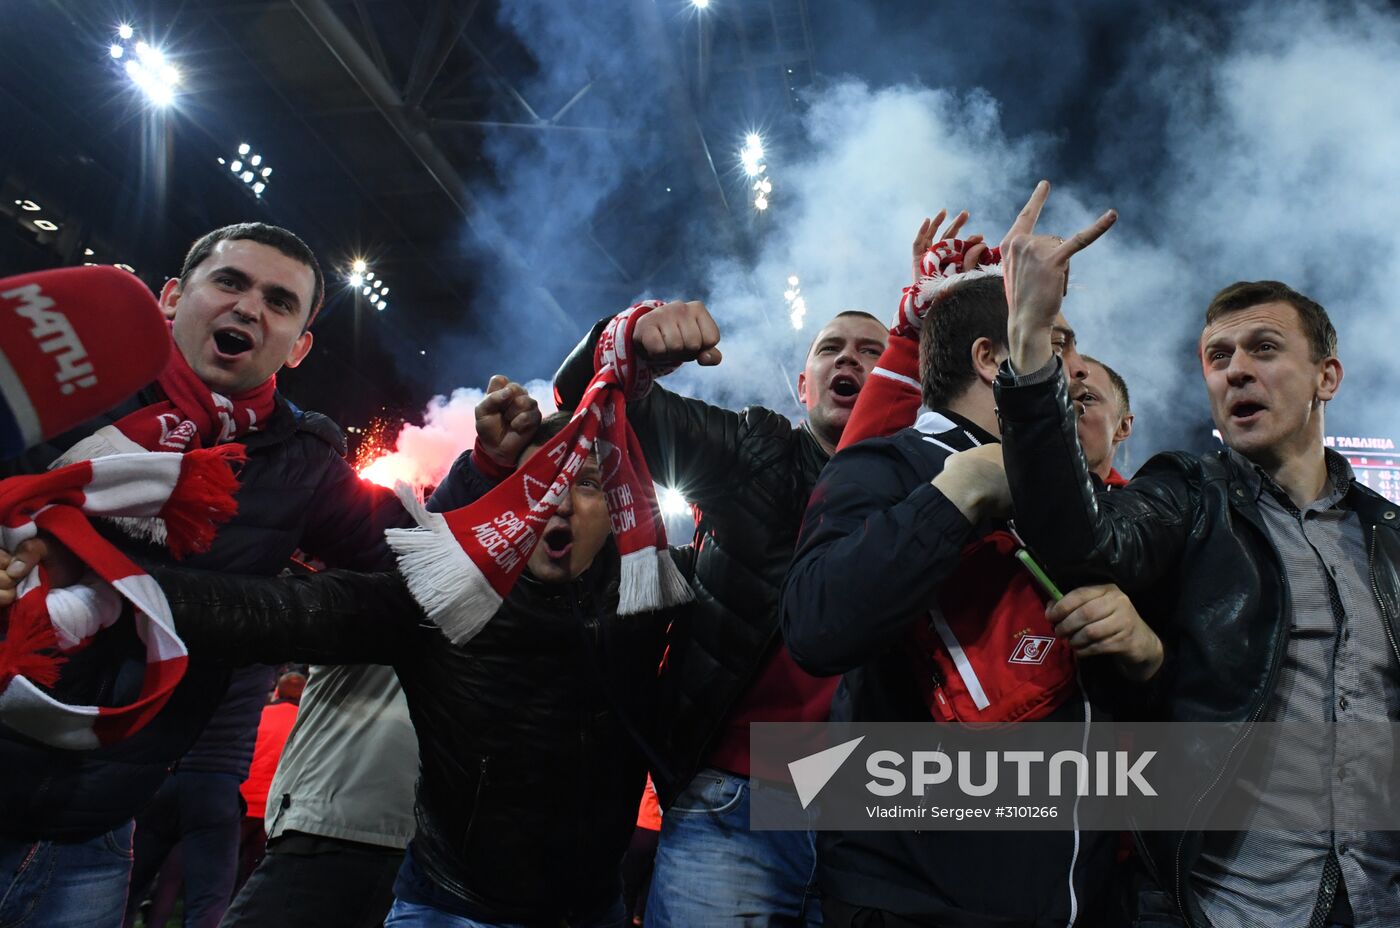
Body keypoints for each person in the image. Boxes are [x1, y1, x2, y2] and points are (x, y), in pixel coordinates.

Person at [992, 181, 1400, 926]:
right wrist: (1030, 343)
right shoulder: (1186, 491)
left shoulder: (1389, 536)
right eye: (1218, 357)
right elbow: (1083, 542)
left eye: (1264, 349)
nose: (1235, 369)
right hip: (1228, 904)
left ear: (1326, 379)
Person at [136, 400, 690, 926]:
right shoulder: (439, 594)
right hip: (438, 895)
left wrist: (778, 803)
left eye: (586, 483)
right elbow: (285, 611)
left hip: (612, 897)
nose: (559, 501)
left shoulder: (653, 607)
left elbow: (767, 662)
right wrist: (117, 588)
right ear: (503, 502)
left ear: (620, 511)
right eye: (535, 481)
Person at [0, 222, 410, 928]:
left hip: (94, 831)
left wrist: (222, 609)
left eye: (280, 303)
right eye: (230, 282)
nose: (250, 308)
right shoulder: (67, 376)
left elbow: (421, 575)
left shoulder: (299, 461)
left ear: (299, 347)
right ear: (169, 298)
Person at [780, 192, 1157, 926]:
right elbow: (816, 625)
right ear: (992, 359)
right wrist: (954, 499)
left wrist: (1146, 653)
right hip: (913, 902)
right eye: (1060, 338)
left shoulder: (1080, 497)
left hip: (1081, 902)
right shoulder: (882, 468)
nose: (1078, 370)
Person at [552, 301, 889, 924]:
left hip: (879, 819)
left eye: (873, 351)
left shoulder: (940, 485)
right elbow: (589, 393)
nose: (849, 357)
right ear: (804, 384)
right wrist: (626, 338)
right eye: (830, 348)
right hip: (737, 807)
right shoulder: (759, 452)